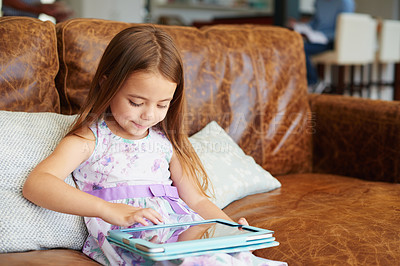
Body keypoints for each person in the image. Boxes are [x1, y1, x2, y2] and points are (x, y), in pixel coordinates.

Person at [22, 25, 286, 266]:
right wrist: (107, 209)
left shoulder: (164, 140)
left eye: (162, 104)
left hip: (181, 228)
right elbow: (37, 183)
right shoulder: (92, 138)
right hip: (135, 236)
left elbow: (196, 198)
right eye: (136, 102)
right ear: (107, 84)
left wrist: (230, 228)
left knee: (235, 258)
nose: (148, 115)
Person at [289, 0, 355, 93]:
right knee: (293, 45)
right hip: (316, 37)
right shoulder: (319, 2)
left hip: (332, 40)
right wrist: (301, 26)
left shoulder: (345, 2)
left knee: (300, 47)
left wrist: (323, 36)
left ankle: (313, 82)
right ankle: (302, 83)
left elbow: (345, 28)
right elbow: (315, 22)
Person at [2, 0, 73, 22]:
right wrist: (38, 10)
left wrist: (52, 8)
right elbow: (7, 1)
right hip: (12, 22)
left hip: (31, 23)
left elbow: (33, 3)